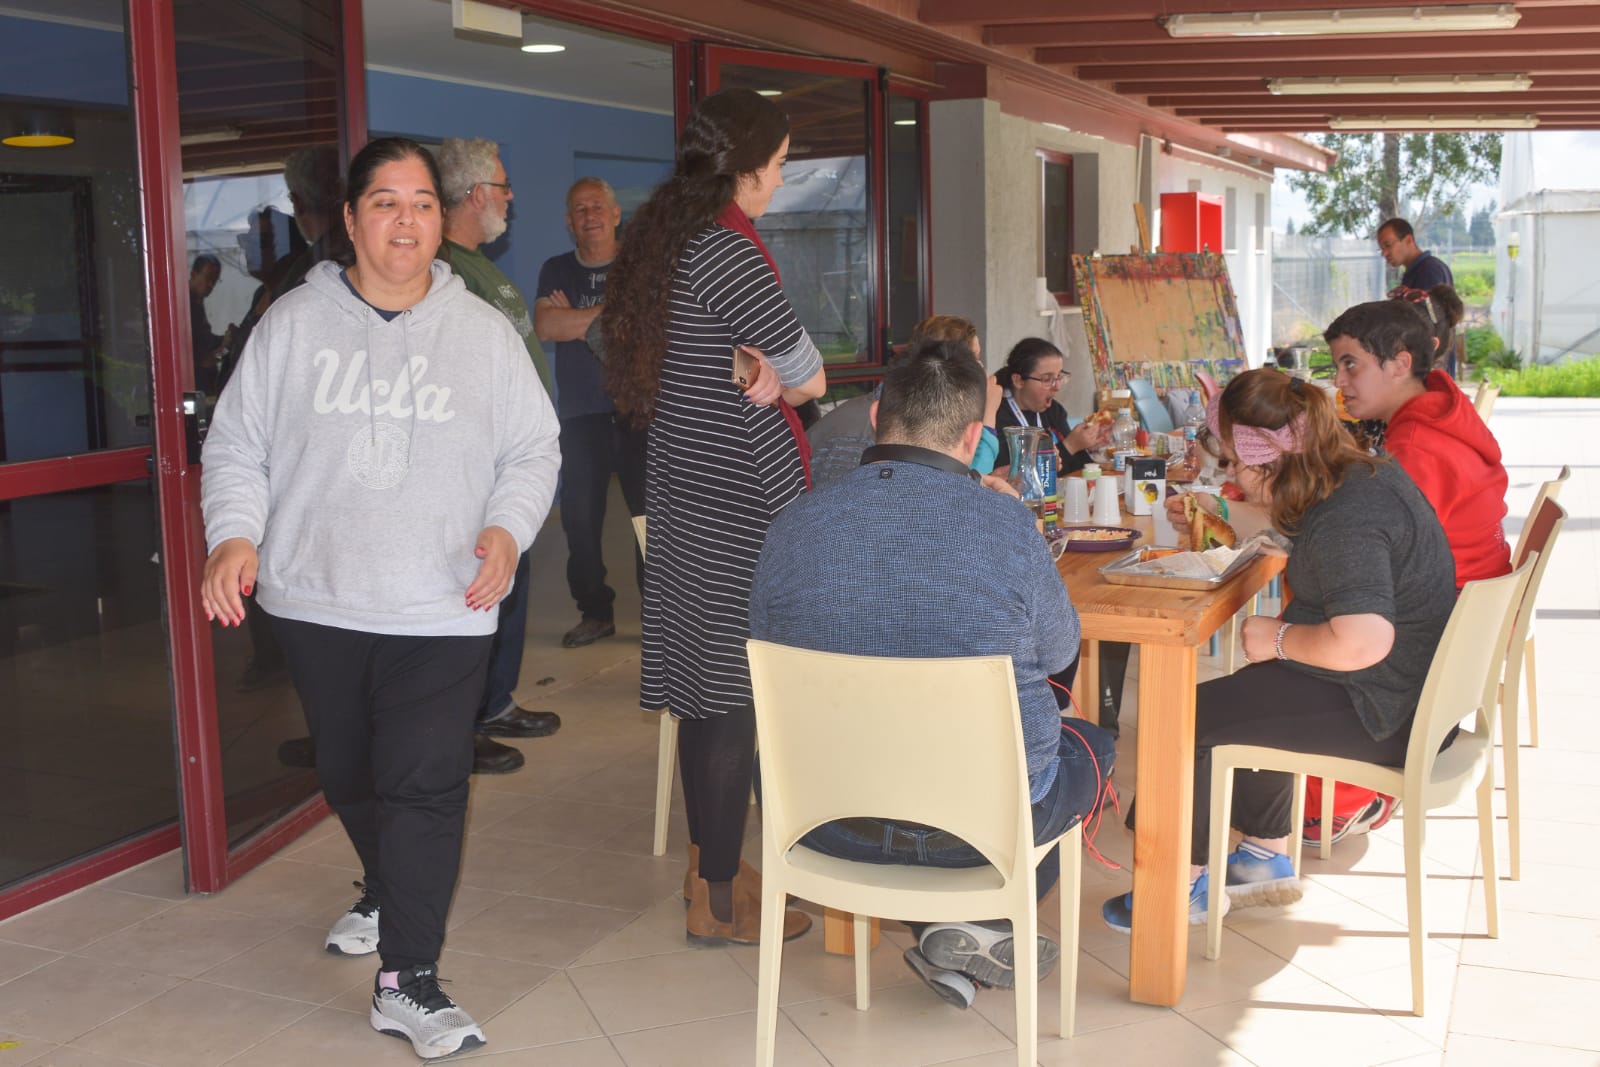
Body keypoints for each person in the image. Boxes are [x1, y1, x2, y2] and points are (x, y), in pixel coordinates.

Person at [199, 137, 560, 1060]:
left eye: (424, 203)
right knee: (350, 774)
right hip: (318, 598)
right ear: (353, 219)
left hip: (445, 603)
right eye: (387, 202)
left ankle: (409, 977)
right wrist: (234, 534)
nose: (408, 220)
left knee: (426, 785)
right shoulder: (292, 324)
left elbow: (533, 449)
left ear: (442, 220)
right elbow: (237, 444)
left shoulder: (481, 331)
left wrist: (507, 527)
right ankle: (385, 884)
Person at [751, 342, 1117, 1008]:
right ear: (975, 437)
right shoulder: (1008, 525)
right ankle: (978, 920)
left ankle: (955, 931)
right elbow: (1063, 650)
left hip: (824, 818)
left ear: (875, 418)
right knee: (1094, 745)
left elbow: (767, 648)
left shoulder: (790, 526)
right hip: (980, 827)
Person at [1105, 369, 1455, 933]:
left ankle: (1174, 889)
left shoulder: (1349, 517)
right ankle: (1262, 859)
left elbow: (1363, 640)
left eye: (1234, 464)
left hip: (1387, 710)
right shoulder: (1357, 478)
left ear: (1269, 459)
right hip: (1410, 691)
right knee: (1252, 694)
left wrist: (1279, 638)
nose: (1230, 476)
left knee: (1183, 717)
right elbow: (1292, 528)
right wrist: (1221, 513)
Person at [602, 87, 825, 947]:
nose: (780, 180)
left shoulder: (666, 239)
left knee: (707, 695)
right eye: (778, 164)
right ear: (746, 167)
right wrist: (767, 367)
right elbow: (808, 376)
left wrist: (742, 358)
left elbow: (690, 352)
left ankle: (711, 871)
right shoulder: (727, 248)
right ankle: (721, 901)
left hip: (689, 488)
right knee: (732, 698)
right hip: (738, 498)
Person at [1300, 295, 1511, 844]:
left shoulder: (1415, 444)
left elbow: (1378, 552)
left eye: (1351, 364)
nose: (1340, 381)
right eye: (1337, 366)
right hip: (1467, 624)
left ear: (1400, 362)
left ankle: (1342, 796)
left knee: (1310, 617)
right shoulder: (1442, 412)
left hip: (1433, 635)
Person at [438, 137, 562, 775]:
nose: (511, 198)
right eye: (503, 187)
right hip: (480, 468)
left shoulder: (480, 265)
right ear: (475, 194)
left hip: (513, 463)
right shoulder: (447, 270)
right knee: (483, 590)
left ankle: (495, 702)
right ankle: (464, 724)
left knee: (512, 585)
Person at [535, 177, 647, 649]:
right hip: (581, 417)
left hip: (639, 413)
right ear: (569, 221)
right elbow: (546, 325)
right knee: (579, 522)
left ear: (616, 214)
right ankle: (595, 612)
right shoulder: (557, 269)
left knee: (649, 523)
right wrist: (612, 315)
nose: (590, 215)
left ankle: (658, 619)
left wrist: (577, 321)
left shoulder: (638, 265)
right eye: (580, 209)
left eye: (598, 206)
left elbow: (642, 324)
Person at [807, 314, 1004, 489]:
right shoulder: (864, 436)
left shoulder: (922, 416)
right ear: (942, 365)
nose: (982, 369)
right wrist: (987, 418)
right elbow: (961, 500)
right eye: (974, 360)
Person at [991, 337, 1112, 474]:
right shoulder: (996, 415)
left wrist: (1090, 447)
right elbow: (1011, 473)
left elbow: (1072, 468)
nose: (1057, 386)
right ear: (1018, 381)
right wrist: (1070, 446)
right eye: (1047, 379)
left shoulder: (1054, 410)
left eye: (1059, 377)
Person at [188, 254, 230, 394]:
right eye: (208, 278)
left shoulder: (196, 303)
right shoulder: (187, 308)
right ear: (193, 275)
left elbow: (206, 340)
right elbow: (207, 361)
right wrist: (225, 348)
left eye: (215, 280)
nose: (211, 285)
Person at [1378, 217, 1453, 293]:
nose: (1384, 253)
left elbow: (1427, 300)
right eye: (1382, 249)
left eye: (1388, 245)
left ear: (1408, 240)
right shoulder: (1415, 271)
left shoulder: (1428, 270)